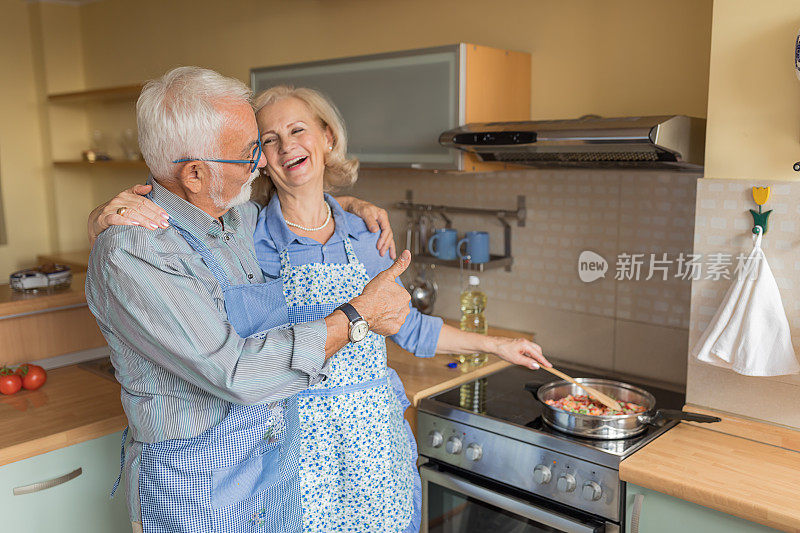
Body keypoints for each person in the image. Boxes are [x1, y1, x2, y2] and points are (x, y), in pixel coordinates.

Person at [94, 83, 552, 532]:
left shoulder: (329, 228)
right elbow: (236, 370)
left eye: (294, 132)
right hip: (275, 451)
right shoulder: (239, 231)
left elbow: (406, 326)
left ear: (327, 137)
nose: (265, 156)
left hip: (355, 440)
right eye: (260, 145)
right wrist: (100, 218)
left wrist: (497, 343)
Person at [85, 67, 413, 533]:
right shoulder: (135, 252)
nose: (261, 163)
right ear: (195, 174)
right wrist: (357, 316)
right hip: (194, 488)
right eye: (249, 152)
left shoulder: (235, 219)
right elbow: (236, 373)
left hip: (266, 469)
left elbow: (300, 205)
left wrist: (350, 206)